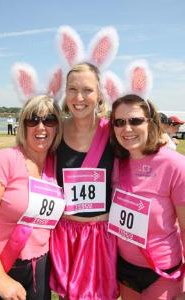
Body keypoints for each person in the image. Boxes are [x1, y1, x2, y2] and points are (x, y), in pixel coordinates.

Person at [49, 62, 119, 300]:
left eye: (87, 90)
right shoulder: (54, 132)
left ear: (99, 94)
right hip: (65, 237)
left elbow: (145, 149)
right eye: (72, 89)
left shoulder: (114, 131)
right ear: (65, 93)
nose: (79, 97)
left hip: (102, 237)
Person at [0, 94, 63, 300]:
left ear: (57, 127)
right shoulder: (5, 160)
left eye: (49, 120)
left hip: (41, 268)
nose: (41, 127)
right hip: (3, 265)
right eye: (33, 119)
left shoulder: (56, 165)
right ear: (23, 125)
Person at [109, 94, 185, 300]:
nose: (127, 128)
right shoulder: (115, 163)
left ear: (150, 123)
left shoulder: (175, 165)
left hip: (163, 271)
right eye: (119, 122)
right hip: (125, 268)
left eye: (135, 120)